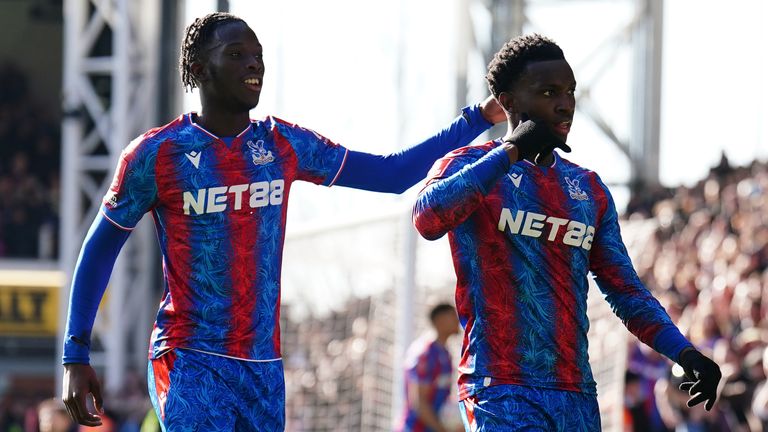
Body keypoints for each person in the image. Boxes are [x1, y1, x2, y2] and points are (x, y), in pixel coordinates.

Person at [60, 12, 505, 431]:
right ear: (198, 68)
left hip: (263, 368)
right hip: (189, 357)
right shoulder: (155, 154)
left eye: (258, 56)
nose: (253, 64)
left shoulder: (283, 144)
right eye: (236, 54)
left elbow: (393, 175)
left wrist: (479, 119)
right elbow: (101, 248)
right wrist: (75, 354)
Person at [412, 34, 722, 431]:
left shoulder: (587, 189)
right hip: (500, 390)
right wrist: (509, 151)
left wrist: (684, 353)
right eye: (549, 92)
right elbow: (427, 219)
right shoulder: (468, 164)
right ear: (508, 102)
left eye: (570, 91)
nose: (565, 104)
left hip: (576, 393)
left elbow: (625, 292)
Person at [397, 303, 462, 432]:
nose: (458, 319)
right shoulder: (425, 353)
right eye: (453, 315)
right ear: (440, 320)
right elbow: (419, 401)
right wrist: (442, 429)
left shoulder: (445, 353)